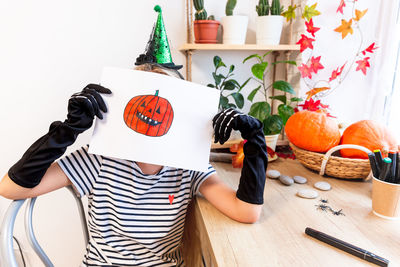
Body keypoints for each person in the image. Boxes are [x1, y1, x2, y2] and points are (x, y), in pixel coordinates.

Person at [0, 6, 268, 267]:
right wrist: (68, 130)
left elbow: (246, 211)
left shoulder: (187, 165)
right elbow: (10, 188)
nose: (152, 111)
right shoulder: (101, 158)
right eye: (143, 101)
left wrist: (254, 139)